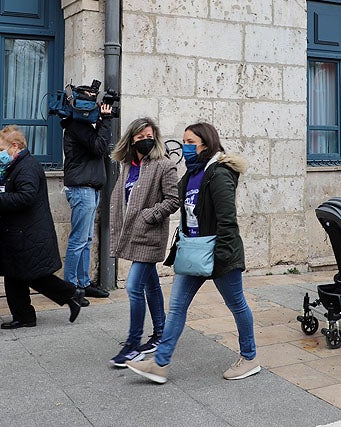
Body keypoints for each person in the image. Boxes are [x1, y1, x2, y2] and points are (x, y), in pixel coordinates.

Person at [127, 122, 258, 384]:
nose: (185, 147)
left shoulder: (218, 174)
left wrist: (222, 258)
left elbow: (227, 220)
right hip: (193, 250)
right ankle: (160, 365)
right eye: (183, 141)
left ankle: (250, 357)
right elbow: (178, 204)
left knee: (236, 303)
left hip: (219, 252)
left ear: (206, 145)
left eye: (190, 143)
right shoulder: (192, 173)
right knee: (176, 308)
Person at [0, 125, 82, 328]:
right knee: (16, 276)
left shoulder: (26, 167)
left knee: (31, 276)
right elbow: (11, 190)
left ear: (15, 146)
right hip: (19, 231)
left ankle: (70, 294)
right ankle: (26, 315)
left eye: (1, 148)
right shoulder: (16, 165)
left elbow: (26, 197)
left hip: (26, 232)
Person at [107, 117, 180, 368]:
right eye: (139, 137)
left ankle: (133, 344)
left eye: (149, 135)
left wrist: (149, 215)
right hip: (133, 234)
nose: (145, 140)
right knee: (150, 285)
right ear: (132, 140)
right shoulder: (128, 165)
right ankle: (160, 334)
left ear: (155, 137)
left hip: (150, 235)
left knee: (133, 287)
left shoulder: (164, 165)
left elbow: (173, 200)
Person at [62, 101, 114, 304]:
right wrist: (106, 122)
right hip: (81, 188)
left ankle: (83, 283)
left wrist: (101, 123)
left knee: (87, 239)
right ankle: (70, 288)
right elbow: (100, 147)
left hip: (90, 187)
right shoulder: (77, 127)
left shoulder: (85, 128)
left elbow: (96, 148)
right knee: (78, 240)